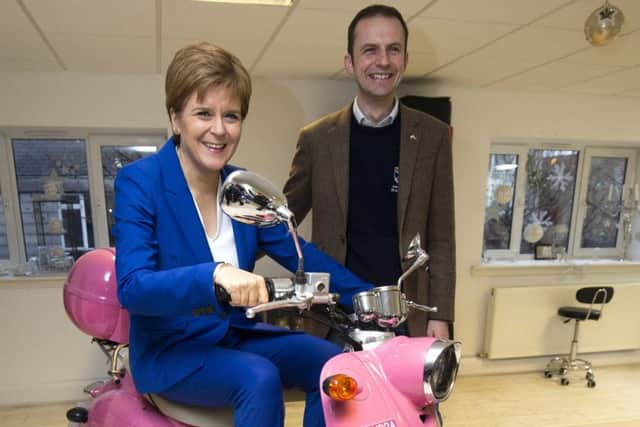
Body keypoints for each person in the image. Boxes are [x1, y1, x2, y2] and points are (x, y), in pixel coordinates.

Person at [113, 42, 371, 427]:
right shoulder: (140, 182)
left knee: (333, 363)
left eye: (231, 116)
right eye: (203, 113)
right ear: (175, 118)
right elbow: (133, 286)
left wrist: (371, 298)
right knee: (258, 378)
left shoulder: (241, 187)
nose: (219, 129)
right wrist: (214, 275)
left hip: (232, 334)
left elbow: (304, 255)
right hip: (171, 349)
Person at [283, 4, 455, 339]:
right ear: (350, 62)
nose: (383, 61)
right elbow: (281, 220)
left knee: (403, 395)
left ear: (404, 59)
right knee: (331, 394)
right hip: (335, 316)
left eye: (394, 49)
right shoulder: (317, 139)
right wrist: (225, 260)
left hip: (408, 316)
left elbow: (443, 238)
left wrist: (442, 313)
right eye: (370, 50)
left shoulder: (433, 136)